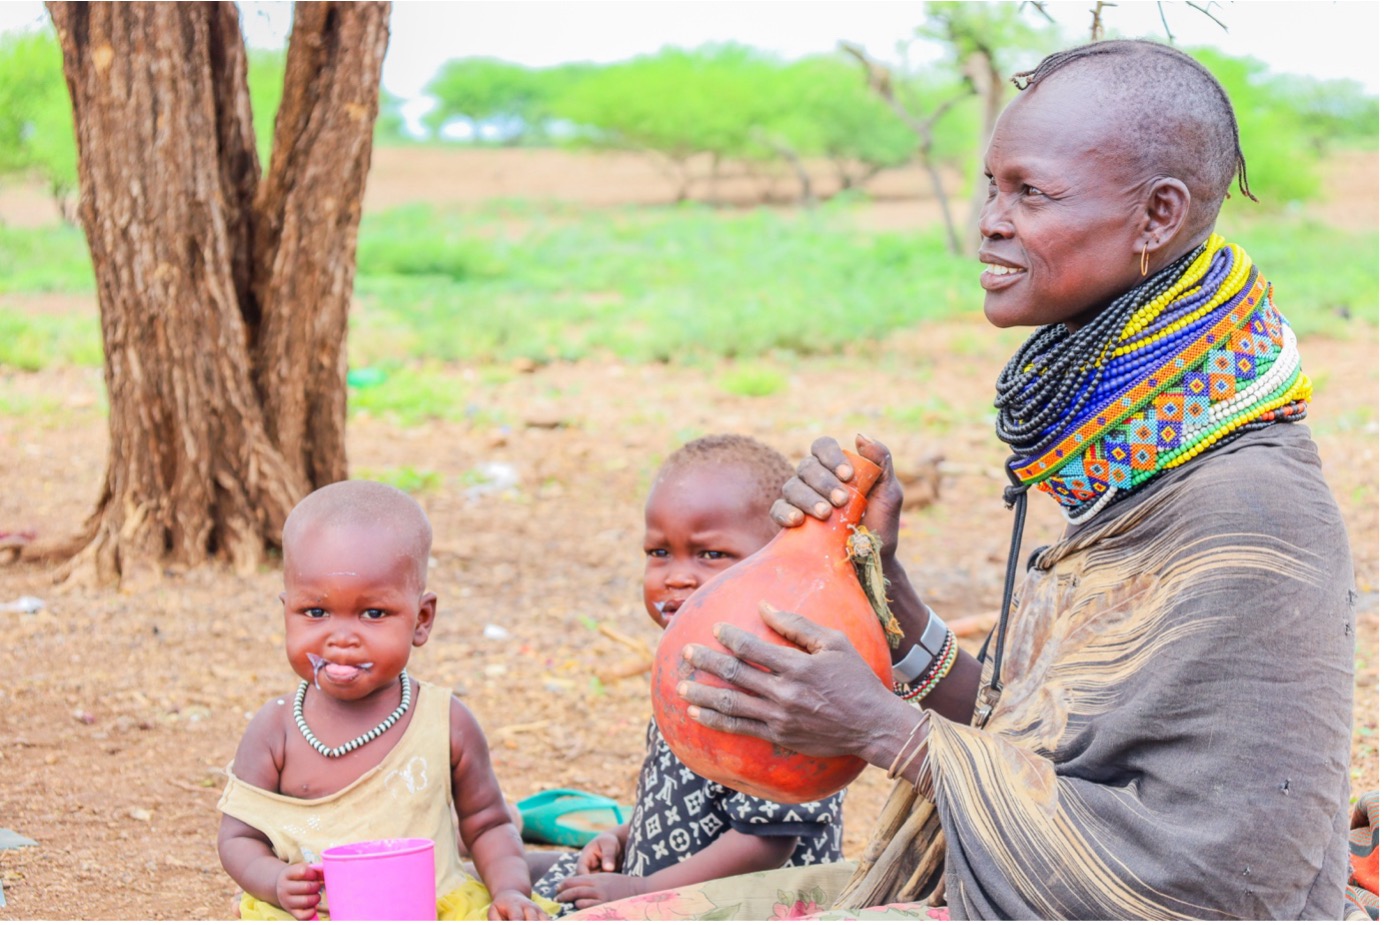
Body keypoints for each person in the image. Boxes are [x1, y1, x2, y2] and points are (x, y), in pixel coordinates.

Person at [566, 40, 1357, 920]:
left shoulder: (1246, 512)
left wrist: (881, 729)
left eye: (1030, 191)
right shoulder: (1142, 477)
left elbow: (1228, 877)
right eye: (991, 186)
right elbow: (1039, 735)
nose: (990, 218)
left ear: (1156, 217)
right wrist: (873, 580)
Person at [528, 434, 847, 913]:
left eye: (710, 554)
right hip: (660, 880)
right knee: (524, 878)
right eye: (659, 553)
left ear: (777, 562)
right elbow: (679, 802)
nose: (676, 576)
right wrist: (620, 837)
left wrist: (640, 894)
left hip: (742, 905)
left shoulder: (782, 684)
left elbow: (766, 842)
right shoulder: (687, 659)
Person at [216, 480, 554, 921]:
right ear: (287, 612)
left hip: (432, 908)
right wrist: (274, 882)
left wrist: (509, 890)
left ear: (422, 619)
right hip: (315, 913)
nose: (341, 638)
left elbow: (488, 823)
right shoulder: (275, 729)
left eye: (373, 613)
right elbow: (239, 838)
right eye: (315, 612)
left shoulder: (445, 723)